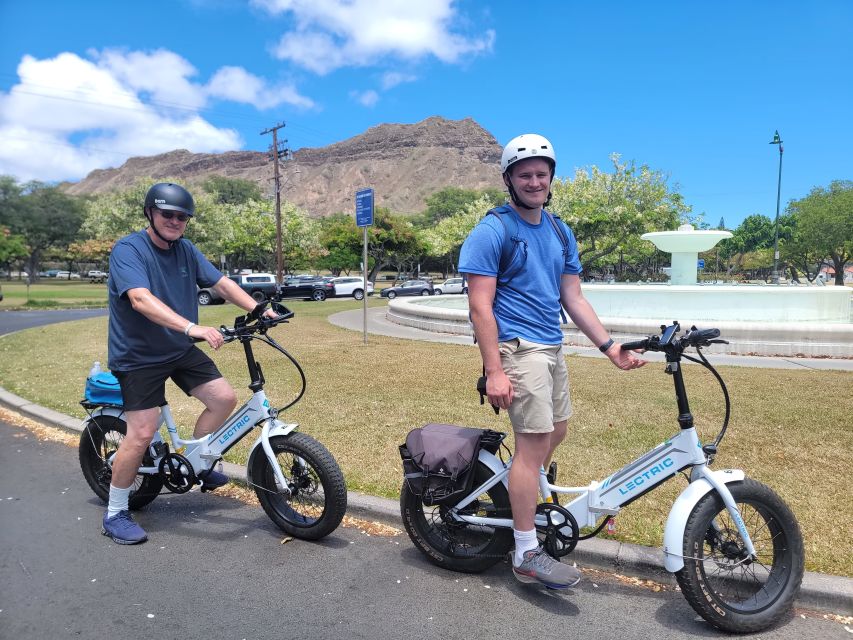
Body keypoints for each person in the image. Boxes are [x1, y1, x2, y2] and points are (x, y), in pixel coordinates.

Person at [459, 134, 645, 589]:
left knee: (555, 432)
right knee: (534, 445)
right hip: (517, 348)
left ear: (551, 178)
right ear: (509, 180)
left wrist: (609, 347)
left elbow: (573, 297)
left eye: (542, 173)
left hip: (551, 346)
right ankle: (525, 551)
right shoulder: (493, 231)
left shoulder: (560, 231)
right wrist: (494, 370)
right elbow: (480, 307)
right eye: (525, 174)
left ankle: (520, 498)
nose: (535, 181)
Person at [102, 182, 274, 545]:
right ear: (150, 213)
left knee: (224, 398)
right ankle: (116, 511)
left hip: (177, 347)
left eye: (182, 217)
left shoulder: (186, 250)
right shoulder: (128, 249)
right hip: (138, 357)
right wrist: (191, 326)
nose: (175, 222)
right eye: (168, 214)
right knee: (143, 432)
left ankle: (198, 459)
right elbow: (140, 299)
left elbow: (222, 284)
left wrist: (257, 308)